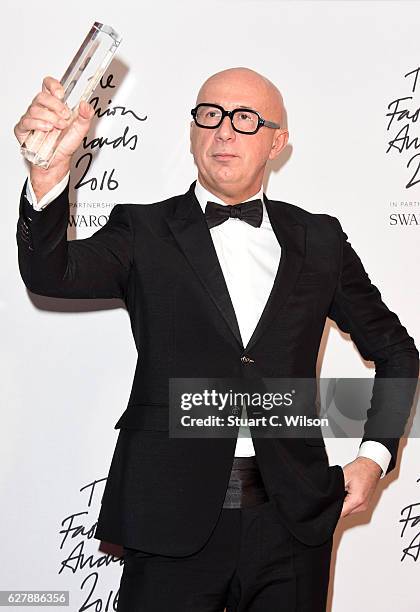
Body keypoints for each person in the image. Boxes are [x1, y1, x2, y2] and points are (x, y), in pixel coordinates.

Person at [14, 67, 418, 611]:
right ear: (192, 131)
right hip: (168, 520)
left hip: (293, 522)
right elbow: (50, 275)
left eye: (246, 119)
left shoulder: (319, 238)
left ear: (277, 142)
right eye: (211, 115)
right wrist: (48, 176)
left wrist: (373, 457)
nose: (224, 131)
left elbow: (397, 352)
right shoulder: (142, 229)